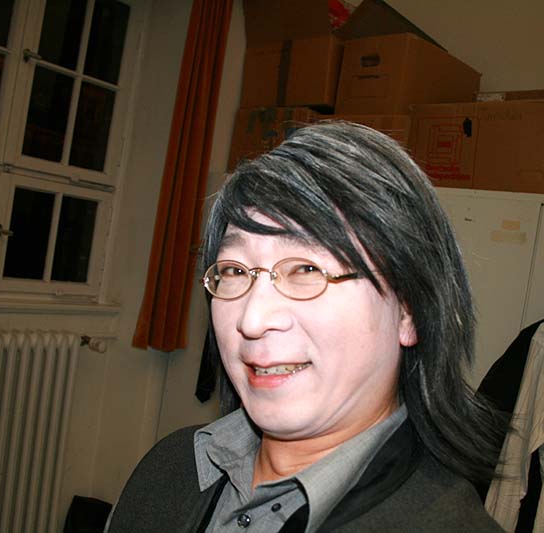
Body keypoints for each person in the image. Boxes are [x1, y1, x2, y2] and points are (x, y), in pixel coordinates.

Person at [108, 121, 504, 532]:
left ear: (409, 311)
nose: (252, 320)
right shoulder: (169, 470)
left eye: (306, 269)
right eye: (235, 270)